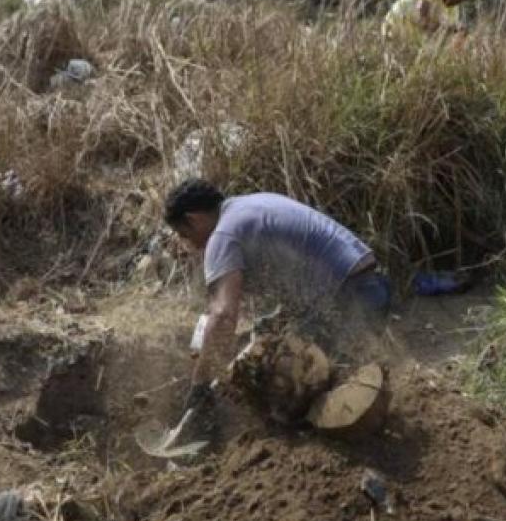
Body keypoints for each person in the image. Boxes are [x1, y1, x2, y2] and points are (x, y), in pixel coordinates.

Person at [163, 179, 390, 436]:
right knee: (292, 360)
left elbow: (223, 314)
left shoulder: (223, 235)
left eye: (184, 234)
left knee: (277, 387)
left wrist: (200, 386)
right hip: (372, 289)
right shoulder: (253, 204)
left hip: (348, 300)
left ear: (193, 219)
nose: (190, 244)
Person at [381, 0, 477, 42]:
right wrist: (446, 29)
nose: (460, 1)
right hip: (392, 30)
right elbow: (422, 16)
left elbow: (443, 33)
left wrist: (456, 31)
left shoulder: (453, 10)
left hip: (411, 42)